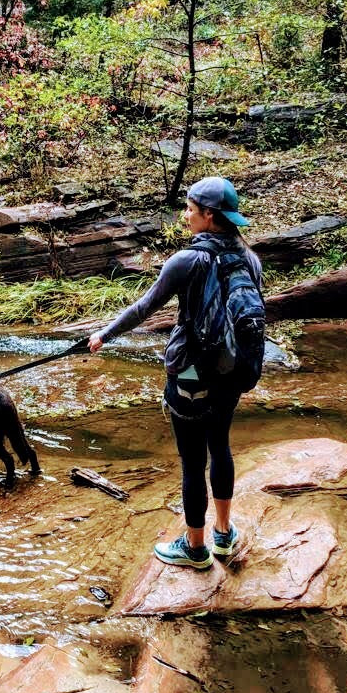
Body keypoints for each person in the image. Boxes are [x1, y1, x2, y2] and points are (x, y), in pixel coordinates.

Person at [88, 177, 262, 570]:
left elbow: (144, 308)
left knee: (191, 460)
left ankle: (196, 549)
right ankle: (223, 533)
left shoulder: (187, 260)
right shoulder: (250, 258)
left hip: (189, 377)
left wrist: (104, 334)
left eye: (189, 208)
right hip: (231, 373)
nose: (185, 215)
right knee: (220, 446)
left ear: (209, 215)